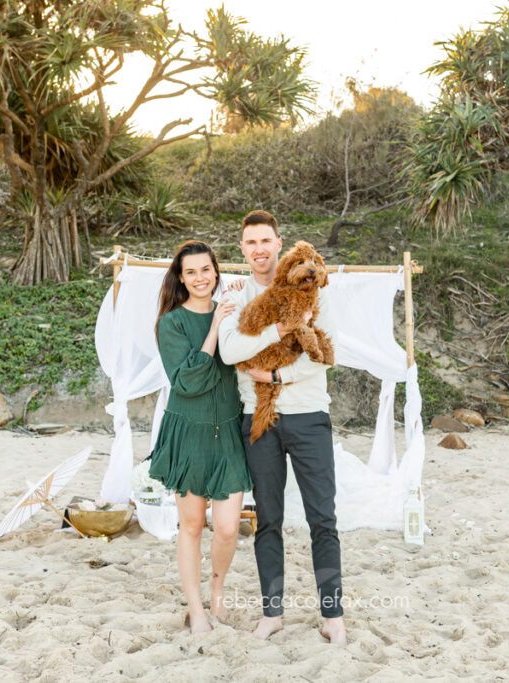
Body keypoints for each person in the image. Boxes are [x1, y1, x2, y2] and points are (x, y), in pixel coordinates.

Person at [218, 210, 347, 646]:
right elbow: (231, 350)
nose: (259, 250)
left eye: (265, 241)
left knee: (322, 518)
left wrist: (276, 377)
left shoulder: (313, 289)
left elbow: (326, 354)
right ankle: (272, 613)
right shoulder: (235, 293)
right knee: (268, 519)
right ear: (242, 249)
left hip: (309, 416)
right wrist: (280, 328)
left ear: (279, 244)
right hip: (260, 421)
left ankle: (332, 615)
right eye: (250, 243)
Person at [148, 240, 252, 634]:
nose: (199, 278)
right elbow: (188, 381)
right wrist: (213, 328)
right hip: (188, 432)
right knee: (191, 526)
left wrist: (239, 308)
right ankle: (196, 608)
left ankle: (217, 589)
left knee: (226, 527)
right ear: (181, 277)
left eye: (205, 270)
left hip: (227, 430)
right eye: (190, 272)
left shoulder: (231, 309)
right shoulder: (171, 323)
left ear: (216, 271)